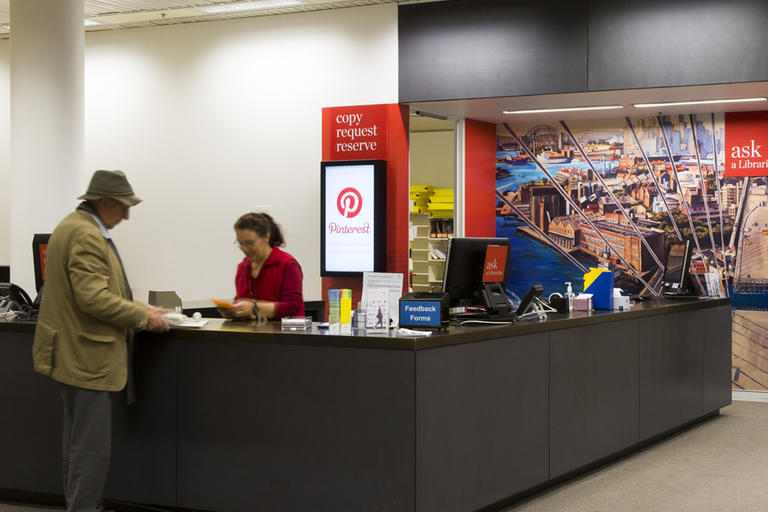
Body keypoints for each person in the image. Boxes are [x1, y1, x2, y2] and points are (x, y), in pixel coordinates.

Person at [32, 169, 169, 512]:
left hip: (74, 355)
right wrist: (143, 318)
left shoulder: (73, 226)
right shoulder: (87, 235)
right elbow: (92, 298)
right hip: (87, 358)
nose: (127, 215)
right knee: (91, 450)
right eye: (124, 206)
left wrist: (139, 306)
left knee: (77, 447)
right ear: (104, 201)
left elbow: (96, 292)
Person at [226, 212, 304, 320]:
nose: (244, 248)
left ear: (266, 237)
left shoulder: (287, 264)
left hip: (284, 334)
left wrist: (254, 308)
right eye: (240, 243)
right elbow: (241, 301)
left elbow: (292, 307)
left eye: (250, 243)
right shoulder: (243, 267)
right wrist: (234, 311)